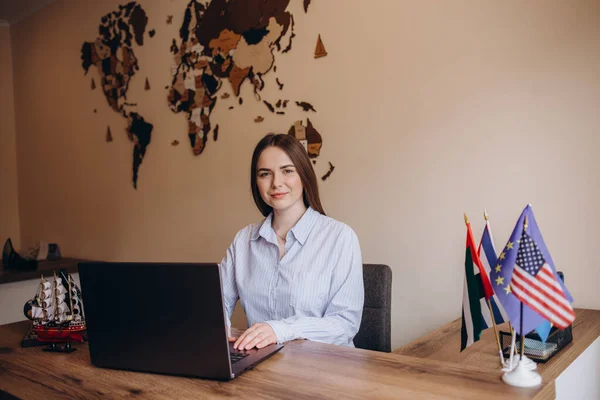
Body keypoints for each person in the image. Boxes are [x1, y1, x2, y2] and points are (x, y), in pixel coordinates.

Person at [219, 133, 364, 351]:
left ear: (304, 176)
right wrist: (217, 325)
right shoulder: (244, 241)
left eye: (287, 171)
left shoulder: (340, 237)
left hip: (328, 370)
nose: (276, 183)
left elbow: (345, 324)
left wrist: (280, 330)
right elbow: (216, 303)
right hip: (261, 366)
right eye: (265, 174)